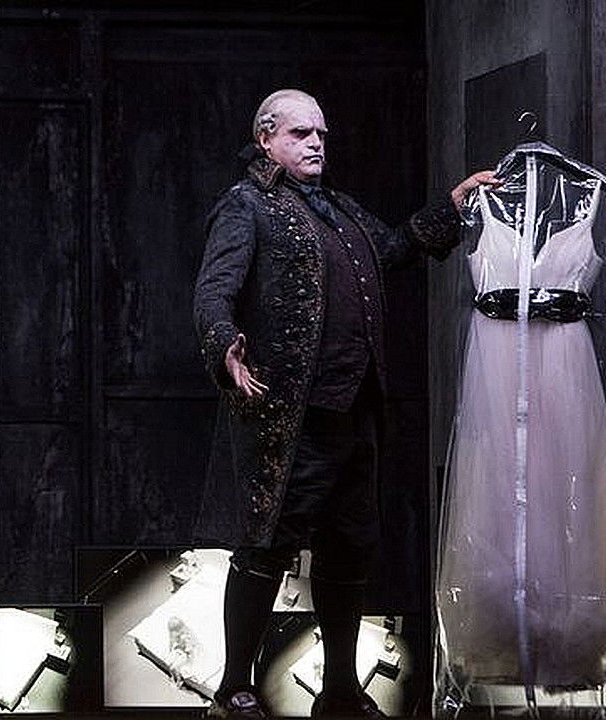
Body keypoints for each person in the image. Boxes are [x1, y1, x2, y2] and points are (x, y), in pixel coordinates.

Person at [193, 89, 496, 717]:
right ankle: (233, 688)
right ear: (266, 138)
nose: (316, 144)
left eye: (322, 135)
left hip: (355, 414)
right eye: (301, 134)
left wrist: (451, 206)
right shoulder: (246, 206)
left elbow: (393, 248)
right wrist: (225, 344)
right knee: (265, 548)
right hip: (290, 418)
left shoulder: (339, 210)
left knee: (349, 550)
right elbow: (213, 290)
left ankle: (337, 691)